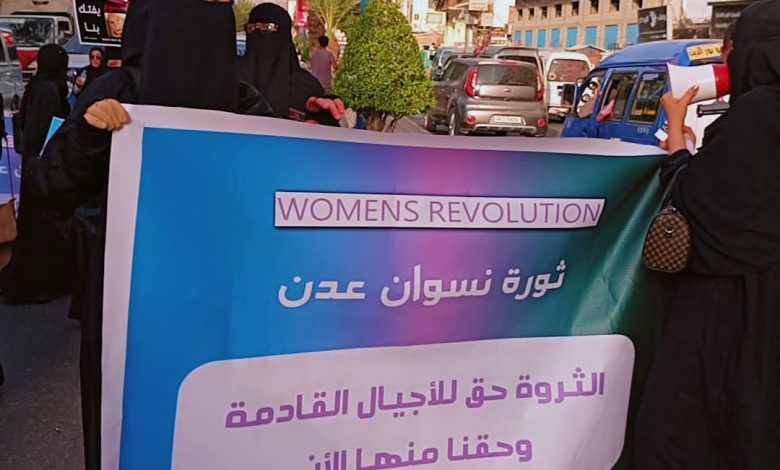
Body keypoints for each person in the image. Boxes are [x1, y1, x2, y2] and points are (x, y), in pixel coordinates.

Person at [635, 2, 780, 468]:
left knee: (686, 431)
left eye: (730, 50)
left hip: (731, 312)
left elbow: (697, 206)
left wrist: (678, 139)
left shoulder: (758, 116)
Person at [1, 44, 72, 304]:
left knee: (33, 225)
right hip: (45, 167)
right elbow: (50, 128)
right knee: (43, 227)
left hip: (33, 165)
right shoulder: (50, 90)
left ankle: (27, 283)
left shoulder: (36, 86)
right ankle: (36, 285)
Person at [240, 3, 345, 125]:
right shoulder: (232, 82)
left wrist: (323, 116)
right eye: (251, 28)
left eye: (267, 28)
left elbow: (325, 122)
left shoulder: (307, 88)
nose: (258, 35)